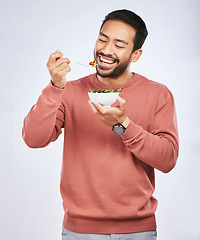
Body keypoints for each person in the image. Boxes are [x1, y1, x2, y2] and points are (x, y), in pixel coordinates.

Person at [22, 9, 179, 240]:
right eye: (102, 39)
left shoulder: (158, 94)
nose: (105, 50)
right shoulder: (70, 91)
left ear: (135, 55)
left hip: (138, 230)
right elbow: (33, 139)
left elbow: (168, 160)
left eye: (119, 44)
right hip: (79, 230)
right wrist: (55, 87)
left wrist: (123, 125)